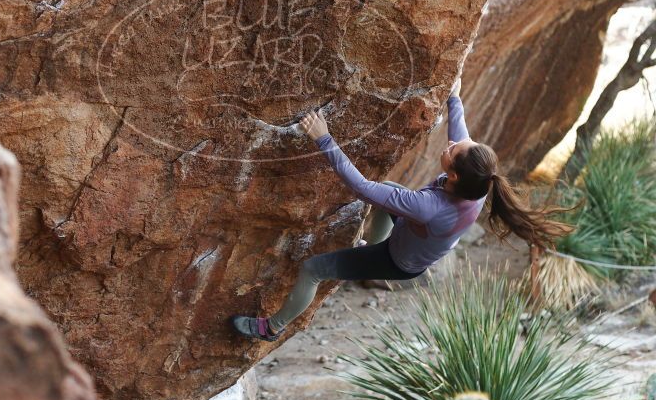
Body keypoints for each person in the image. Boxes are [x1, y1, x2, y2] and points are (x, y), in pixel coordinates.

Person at [231, 79, 573, 342]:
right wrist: (454, 93)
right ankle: (368, 250)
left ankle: (271, 327)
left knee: (312, 269)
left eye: (453, 151)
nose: (453, 143)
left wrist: (324, 138)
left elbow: (361, 187)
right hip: (415, 237)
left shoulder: (430, 206)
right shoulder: (479, 181)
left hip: (399, 260)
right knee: (391, 194)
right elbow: (459, 128)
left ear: (452, 175)